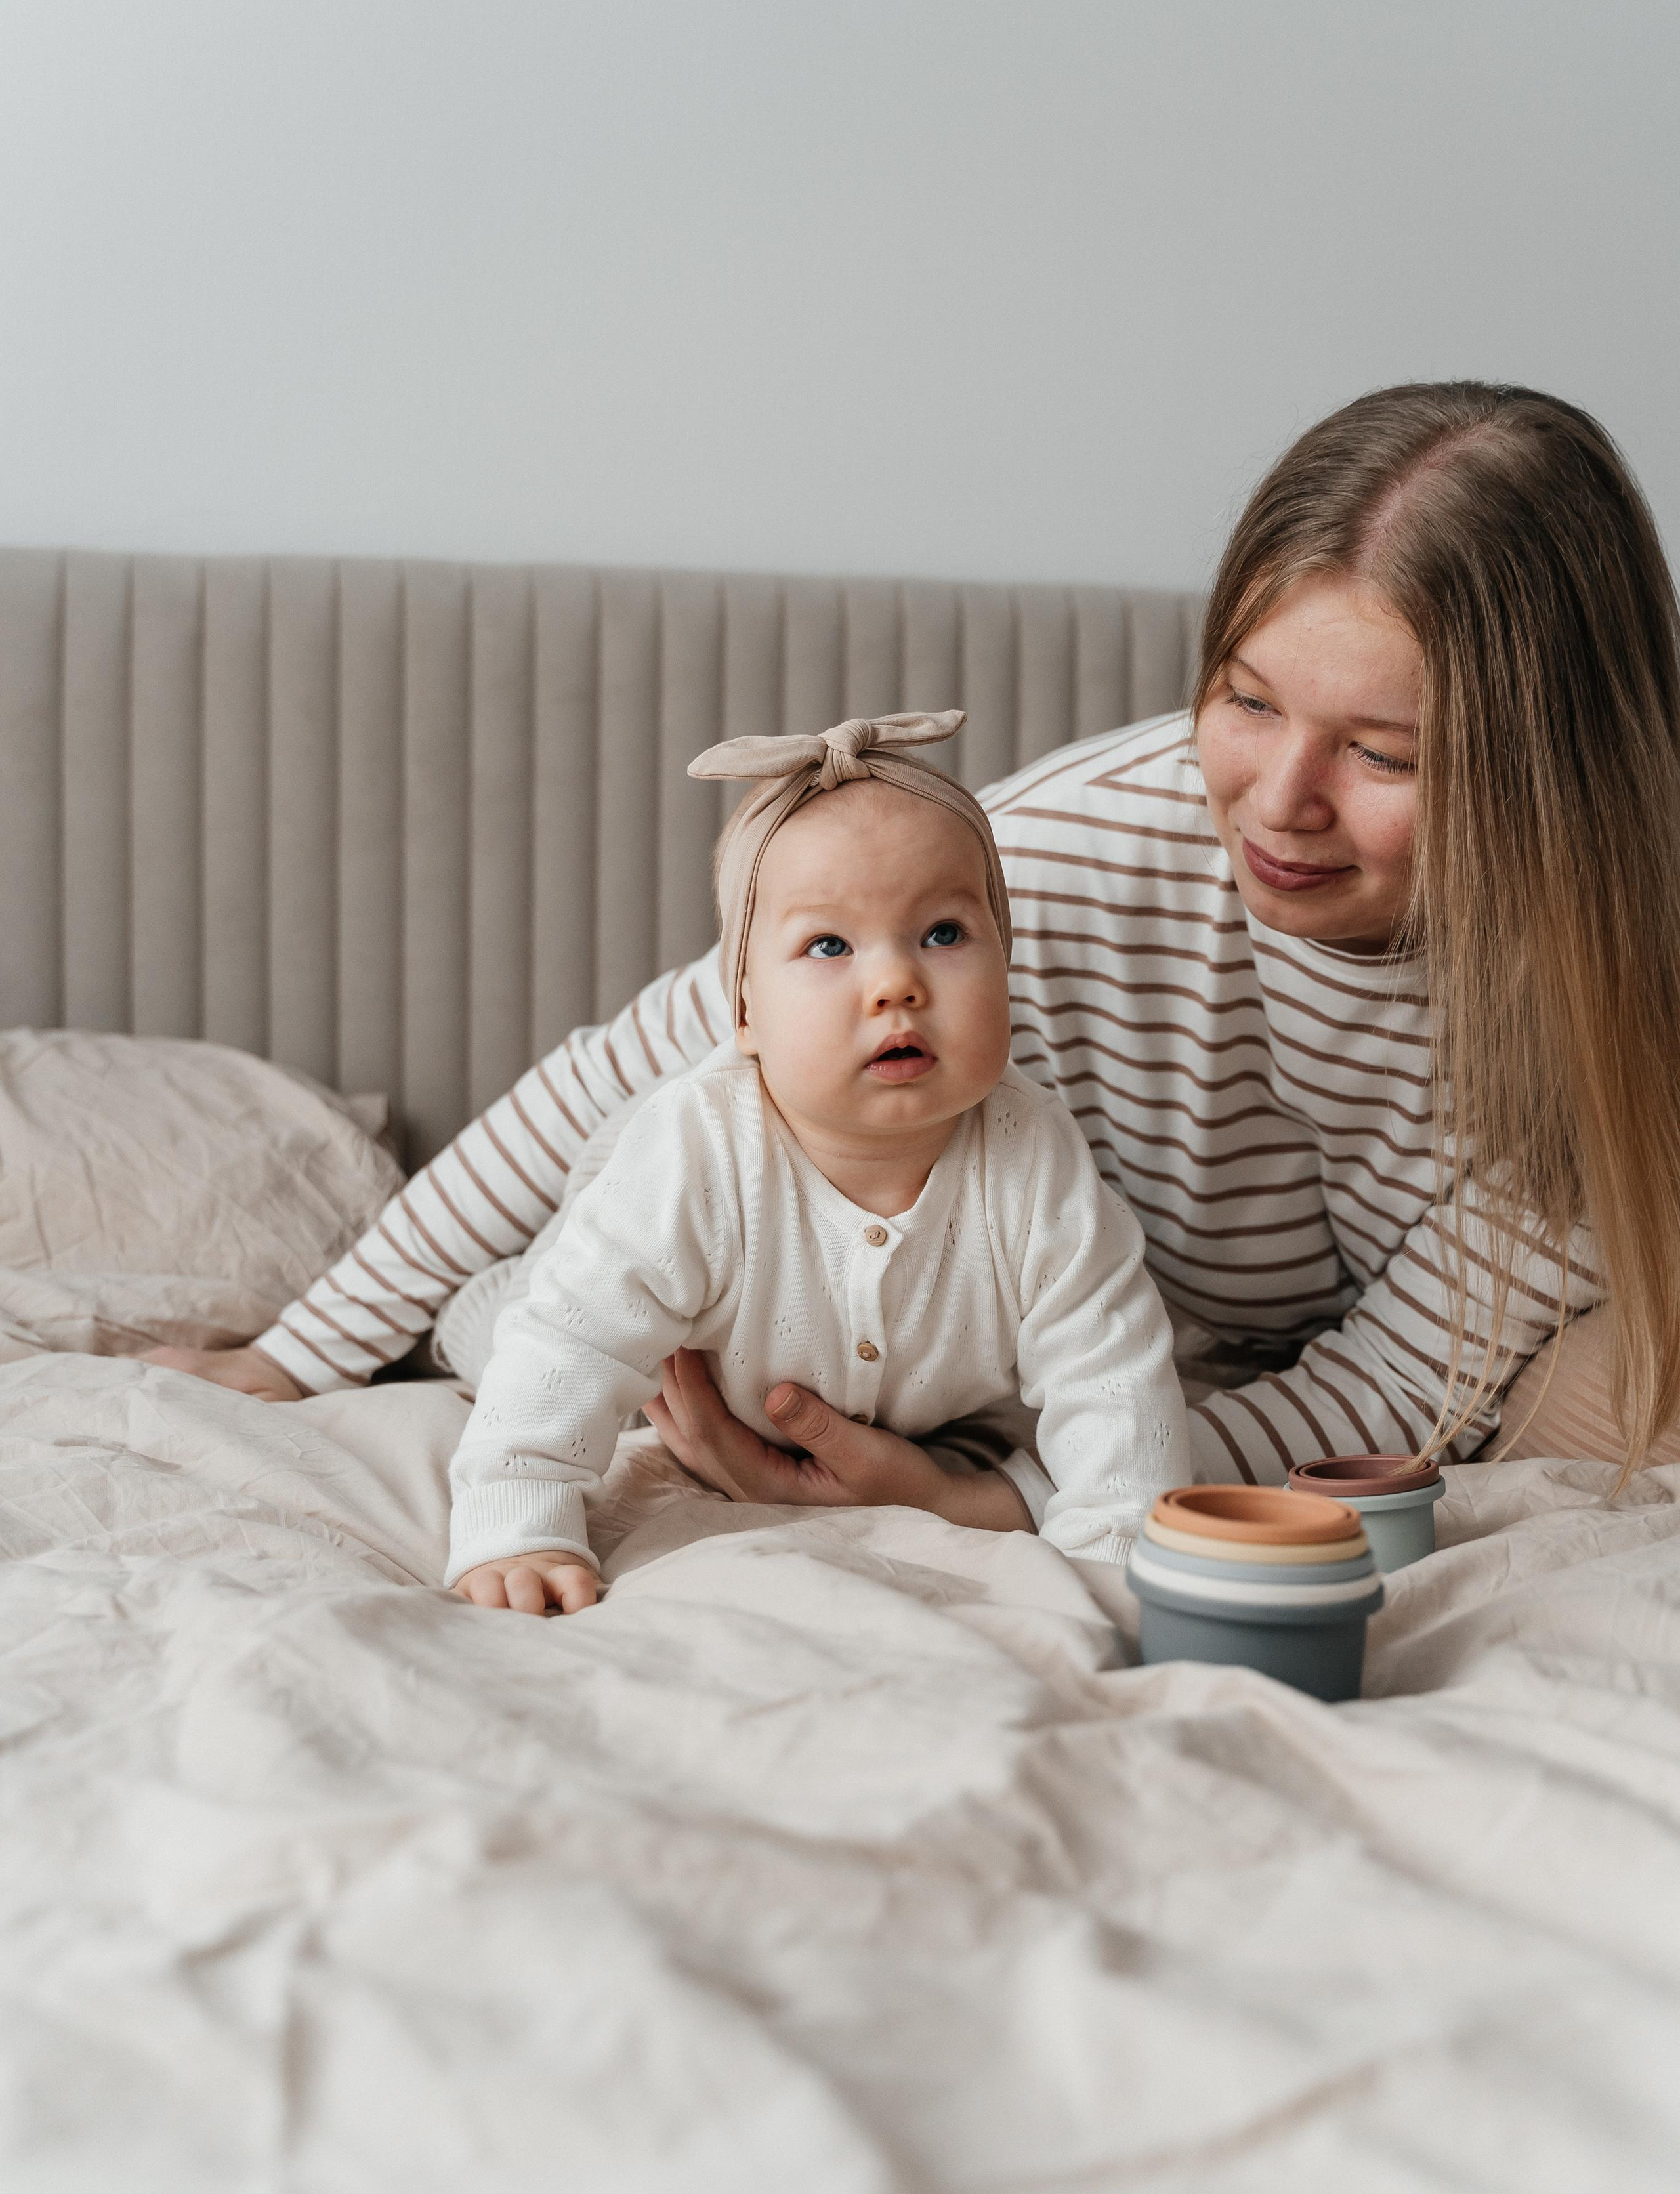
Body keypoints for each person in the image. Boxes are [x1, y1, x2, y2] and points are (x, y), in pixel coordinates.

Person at [143, 381, 1680, 1517]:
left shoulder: (1602, 1015)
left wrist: (1000, 1498)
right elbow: (634, 1067)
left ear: (1547, 774)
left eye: (1383, 756)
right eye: (1245, 699)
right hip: (1046, 1327)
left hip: (1183, 1377)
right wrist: (301, 1356)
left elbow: (1391, 1384)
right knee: (573, 1284)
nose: (1275, 802)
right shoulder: (1069, 852)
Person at [446, 711, 1189, 1613]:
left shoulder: (1037, 1163)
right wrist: (516, 1522)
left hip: (920, 1406)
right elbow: (570, 1342)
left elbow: (1113, 1380)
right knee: (523, 1339)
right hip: (650, 1291)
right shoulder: (699, 1155)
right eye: (830, 947)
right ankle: (476, 1306)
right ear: (746, 1014)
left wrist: (1114, 1561)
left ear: (1008, 961)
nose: (897, 984)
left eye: (946, 934)